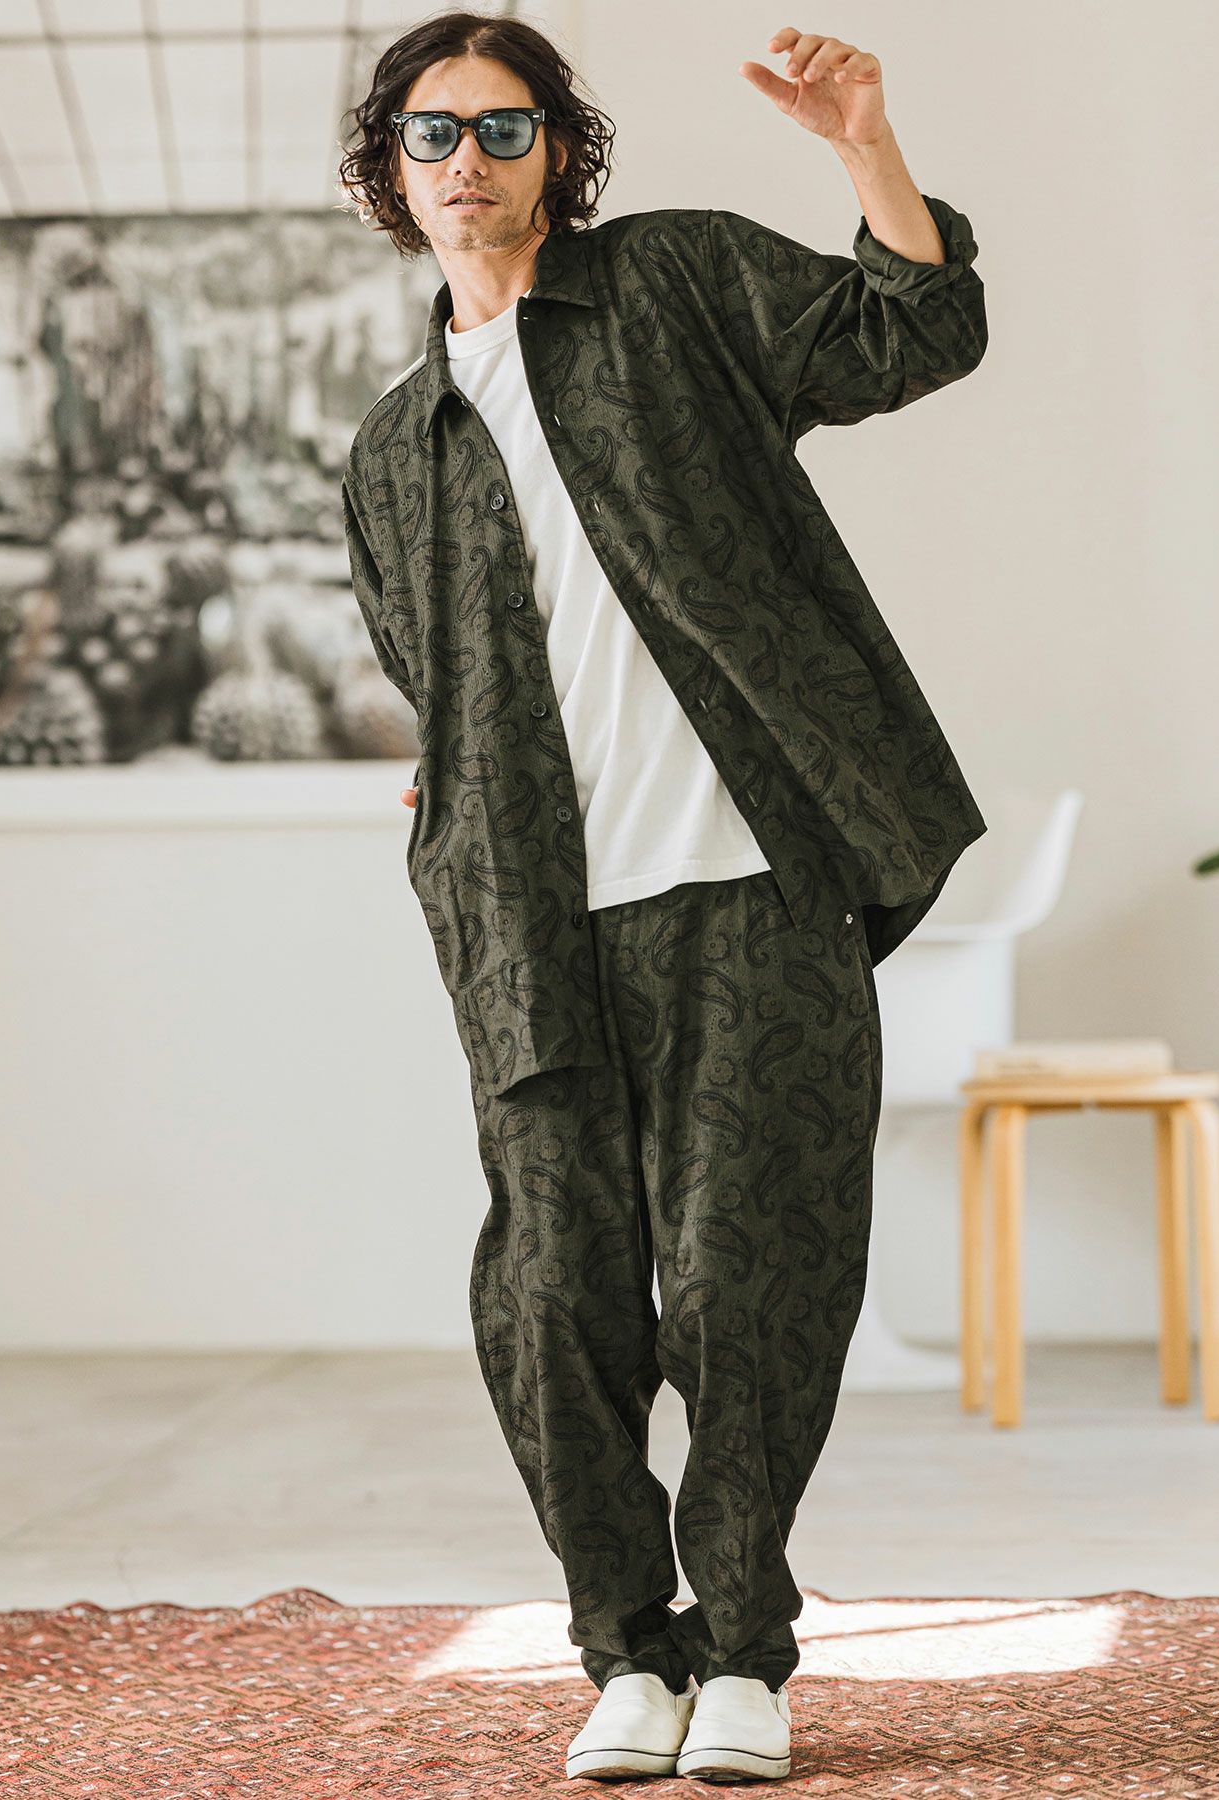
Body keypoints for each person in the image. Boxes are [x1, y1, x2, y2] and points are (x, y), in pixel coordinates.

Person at [338, 11, 988, 1782]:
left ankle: (747, 1657)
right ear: (389, 170)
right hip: (530, 927)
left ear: (560, 150)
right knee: (553, 1305)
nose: (467, 160)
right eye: (431, 132)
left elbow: (913, 329)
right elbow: (439, 684)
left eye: (503, 126)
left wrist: (863, 145)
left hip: (752, 887)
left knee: (743, 1287)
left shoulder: (672, 288)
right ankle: (624, 1651)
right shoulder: (391, 452)